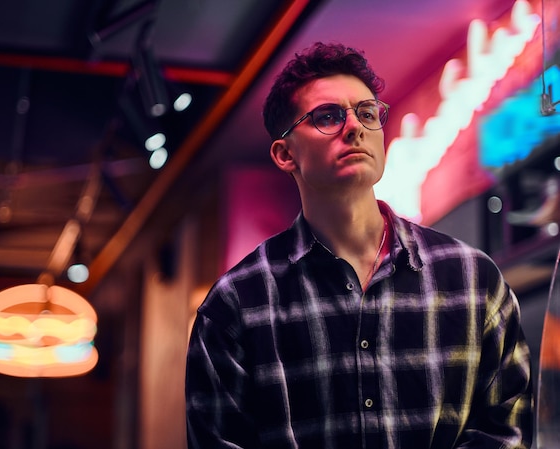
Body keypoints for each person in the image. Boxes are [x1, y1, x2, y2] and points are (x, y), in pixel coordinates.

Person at [185, 41, 533, 449]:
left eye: (367, 113)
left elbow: (507, 432)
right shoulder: (235, 304)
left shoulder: (474, 280)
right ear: (284, 154)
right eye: (327, 116)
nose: (355, 127)